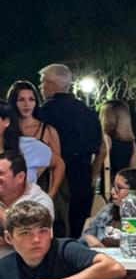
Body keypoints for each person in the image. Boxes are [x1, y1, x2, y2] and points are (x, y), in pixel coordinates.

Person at [1, 201, 126, 279]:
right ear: (9, 237)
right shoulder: (3, 269)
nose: (36, 239)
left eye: (43, 231)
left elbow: (115, 268)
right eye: (26, 233)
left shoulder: (65, 249)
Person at [36, 64, 100, 238]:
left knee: (56, 224)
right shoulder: (87, 112)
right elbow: (100, 148)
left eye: (43, 82)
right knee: (79, 225)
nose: (41, 87)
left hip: (55, 176)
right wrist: (94, 175)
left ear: (51, 84)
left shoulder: (45, 112)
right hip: (83, 175)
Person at [7, 80, 64, 197]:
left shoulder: (48, 131)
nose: (27, 104)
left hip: (39, 190)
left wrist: (51, 195)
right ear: (13, 102)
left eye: (31, 99)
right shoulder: (6, 129)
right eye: (21, 99)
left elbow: (57, 165)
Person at [80, 168, 136, 248]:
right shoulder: (108, 210)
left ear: (134, 192)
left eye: (119, 188)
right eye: (113, 187)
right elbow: (84, 237)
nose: (112, 192)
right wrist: (88, 238)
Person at [0, 152, 56, 257]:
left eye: (1, 173)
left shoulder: (40, 201)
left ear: (20, 177)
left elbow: (35, 240)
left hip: (21, 261)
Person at [95, 99, 136, 186]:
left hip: (107, 185)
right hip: (122, 186)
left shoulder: (106, 139)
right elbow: (132, 169)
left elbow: (96, 168)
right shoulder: (131, 143)